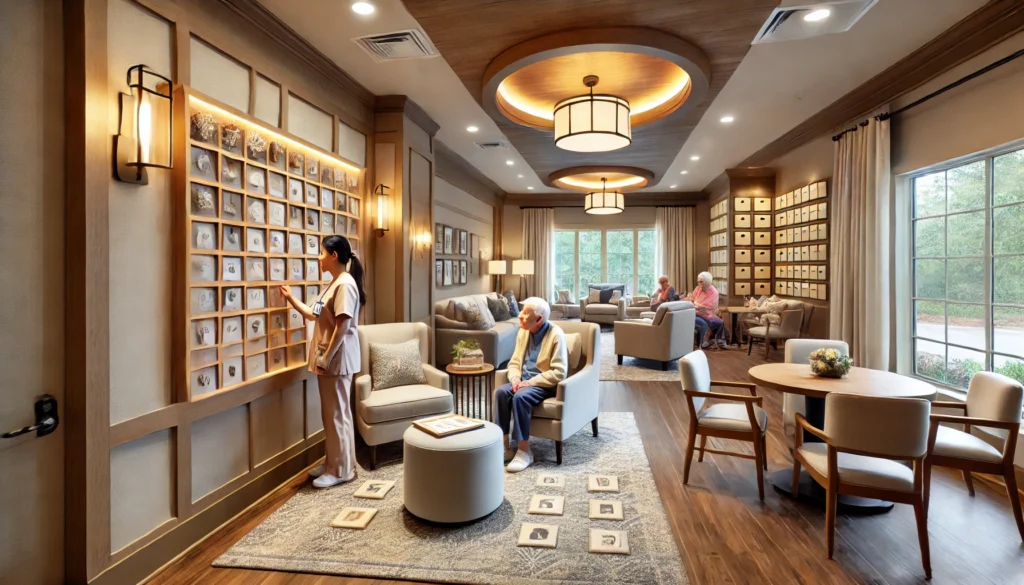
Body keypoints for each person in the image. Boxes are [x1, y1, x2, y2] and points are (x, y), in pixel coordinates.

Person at [279, 235, 366, 488]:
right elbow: (312, 313)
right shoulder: (333, 284)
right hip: (328, 361)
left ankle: (341, 470)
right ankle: (334, 463)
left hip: (336, 361)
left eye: (321, 253)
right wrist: (290, 298)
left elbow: (343, 325)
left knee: (337, 414)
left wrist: (327, 357)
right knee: (332, 415)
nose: (319, 258)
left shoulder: (345, 285)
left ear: (334, 255)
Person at [494, 297, 568, 472]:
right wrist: (515, 379)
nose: (520, 315)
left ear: (539, 319)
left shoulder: (556, 335)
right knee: (501, 393)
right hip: (524, 381)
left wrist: (530, 382)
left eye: (526, 313)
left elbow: (559, 372)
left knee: (520, 398)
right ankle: (505, 447)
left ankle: (524, 451)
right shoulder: (523, 332)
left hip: (543, 384)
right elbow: (514, 362)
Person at [684, 271, 728, 350]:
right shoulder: (698, 288)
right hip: (695, 312)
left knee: (719, 322)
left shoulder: (714, 292)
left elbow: (708, 308)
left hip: (706, 313)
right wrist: (694, 302)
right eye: (698, 281)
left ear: (707, 282)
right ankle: (706, 343)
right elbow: (692, 299)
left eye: (701, 282)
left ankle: (717, 342)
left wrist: (695, 303)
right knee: (713, 323)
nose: (699, 284)